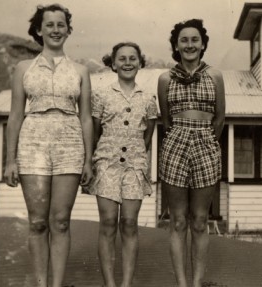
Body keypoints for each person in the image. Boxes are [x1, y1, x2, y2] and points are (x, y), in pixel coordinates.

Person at [4, 4, 93, 287]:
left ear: (68, 30)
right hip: (32, 145)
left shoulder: (80, 70)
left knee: (61, 221)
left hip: (70, 145)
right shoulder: (22, 68)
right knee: (38, 222)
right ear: (39, 30)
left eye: (61, 24)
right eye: (50, 25)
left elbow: (87, 118)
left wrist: (88, 159)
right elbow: (15, 115)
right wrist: (10, 160)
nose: (56, 29)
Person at [158, 19, 225, 287]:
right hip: (175, 145)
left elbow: (219, 119)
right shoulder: (164, 79)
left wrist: (206, 142)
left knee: (199, 220)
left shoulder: (215, 76)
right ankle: (182, 284)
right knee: (177, 220)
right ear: (176, 45)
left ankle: (197, 283)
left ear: (203, 44)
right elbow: (165, 120)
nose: (189, 45)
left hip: (206, 145)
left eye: (194, 39)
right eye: (184, 40)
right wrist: (182, 138)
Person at [89, 42, 157, 287]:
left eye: (133, 58)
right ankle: (110, 284)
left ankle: (126, 284)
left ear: (140, 63)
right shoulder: (102, 95)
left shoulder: (148, 98)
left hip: (134, 166)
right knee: (108, 222)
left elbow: (148, 134)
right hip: (107, 164)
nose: (127, 62)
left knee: (129, 223)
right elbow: (94, 132)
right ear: (113, 64)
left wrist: (137, 156)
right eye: (122, 59)